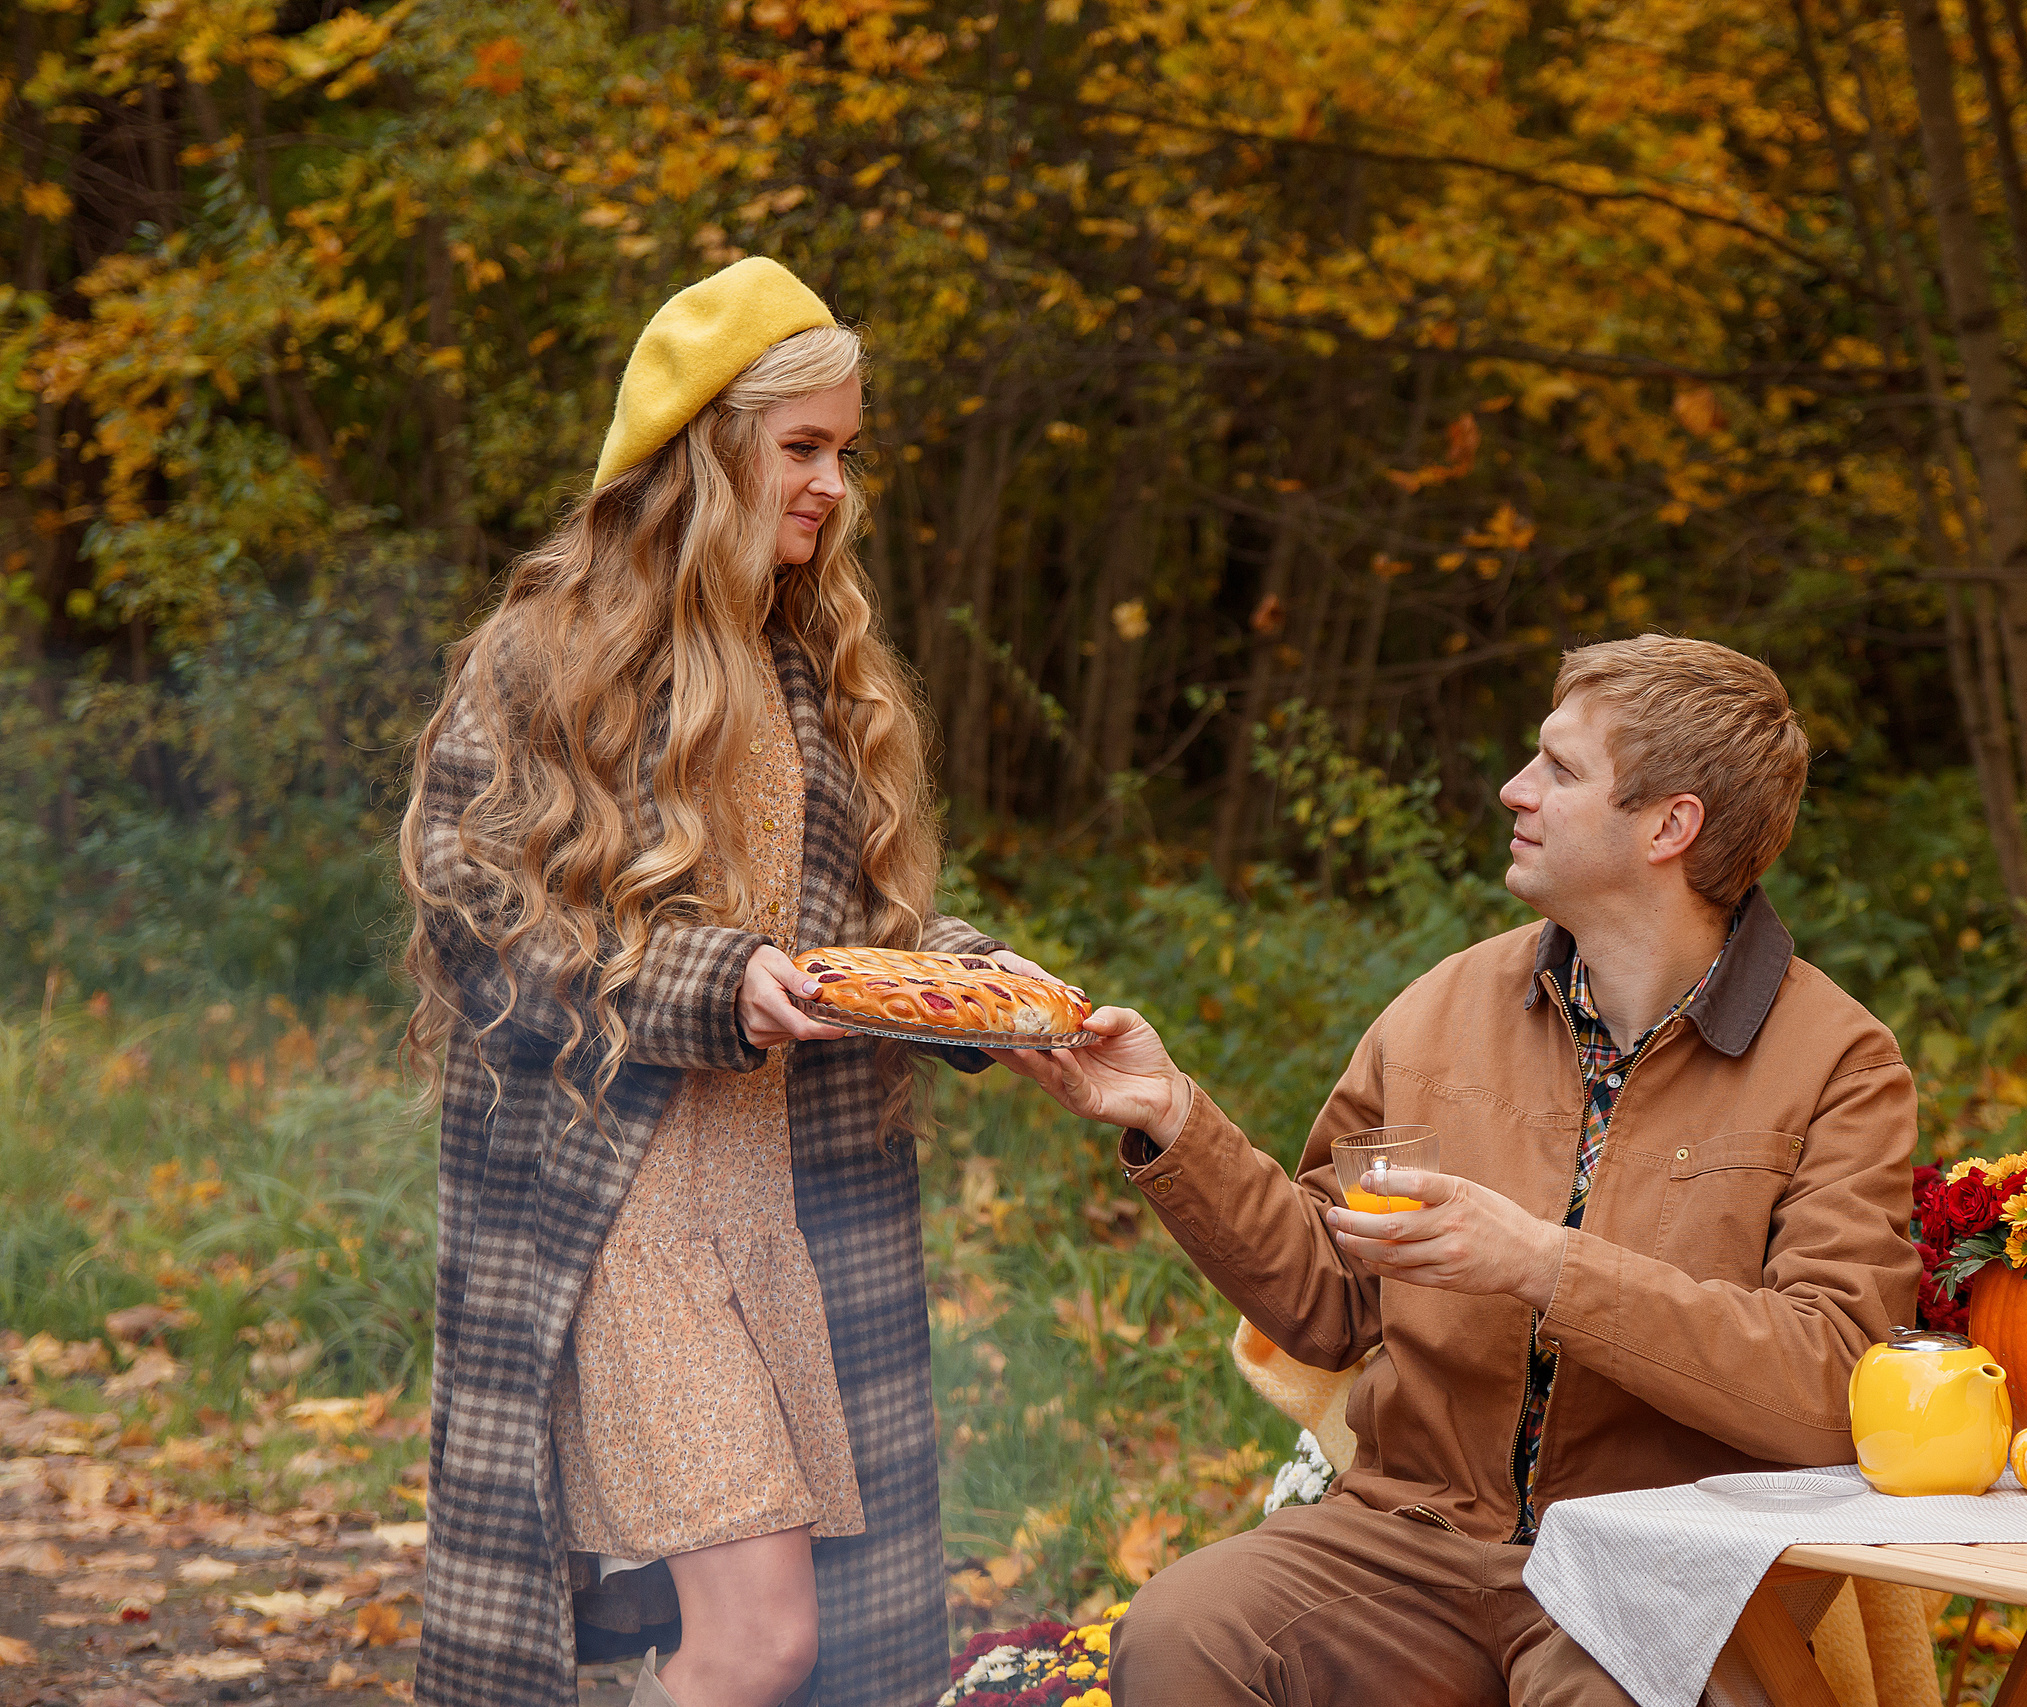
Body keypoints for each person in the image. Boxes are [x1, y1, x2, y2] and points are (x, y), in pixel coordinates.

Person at [1005, 636, 1920, 1705]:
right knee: (1186, 1632)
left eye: (1559, 770)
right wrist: (1170, 1117)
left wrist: (1545, 1264)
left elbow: (1830, 1385)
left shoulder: (1839, 1063)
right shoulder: (1443, 1008)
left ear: (1670, 827)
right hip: (1411, 1537)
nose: (1513, 790)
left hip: (1658, 1564)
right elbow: (1332, 1301)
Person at [400, 258, 1045, 1707]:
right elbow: (479, 927)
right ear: (706, 444)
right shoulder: (550, 655)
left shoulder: (814, 666)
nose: (832, 485)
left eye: (845, 452)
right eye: (801, 447)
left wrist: (968, 981)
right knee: (761, 1636)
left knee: (773, 1645)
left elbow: (831, 941)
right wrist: (716, 980)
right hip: (618, 1203)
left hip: (785, 1208)